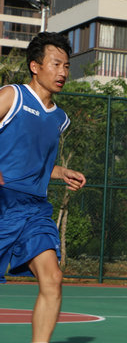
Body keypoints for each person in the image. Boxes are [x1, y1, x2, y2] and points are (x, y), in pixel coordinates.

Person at [0, 32, 87, 342]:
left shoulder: (59, 118)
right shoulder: (12, 96)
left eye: (67, 65)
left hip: (34, 209)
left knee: (52, 279)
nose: (63, 72)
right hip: (3, 202)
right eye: (56, 64)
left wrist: (61, 171)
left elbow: (33, 163)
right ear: (35, 66)